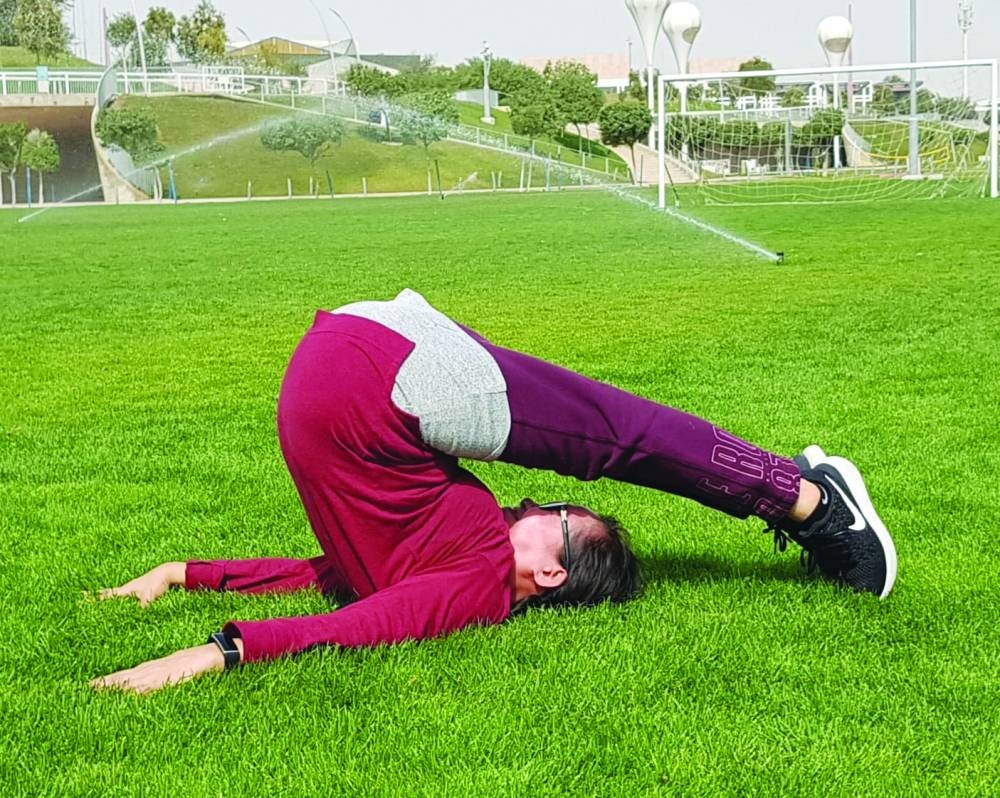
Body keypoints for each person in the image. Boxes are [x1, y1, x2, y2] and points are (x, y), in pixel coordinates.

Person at [92, 289, 896, 694]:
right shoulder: (453, 556)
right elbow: (338, 584)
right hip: (363, 374)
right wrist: (186, 580)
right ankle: (801, 499)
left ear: (549, 572)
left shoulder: (472, 581)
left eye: (550, 516)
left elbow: (351, 605)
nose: (528, 501)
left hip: (372, 372)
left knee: (620, 435)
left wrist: (213, 639)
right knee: (610, 437)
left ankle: (814, 501)